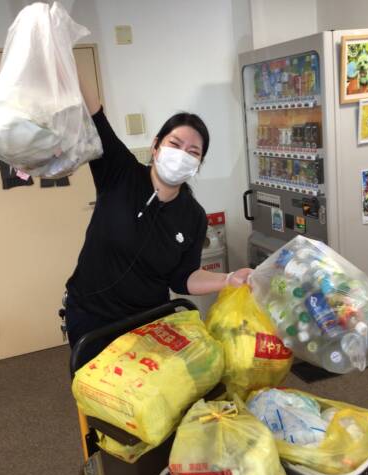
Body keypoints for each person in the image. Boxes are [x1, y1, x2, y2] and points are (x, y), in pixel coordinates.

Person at [65, 81, 252, 354]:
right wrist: (65, 56)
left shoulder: (193, 216)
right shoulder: (120, 173)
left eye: (193, 152)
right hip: (92, 318)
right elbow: (95, 115)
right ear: (155, 146)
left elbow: (183, 277)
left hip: (149, 323)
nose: (182, 155)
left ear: (198, 165)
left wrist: (228, 279)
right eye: (174, 144)